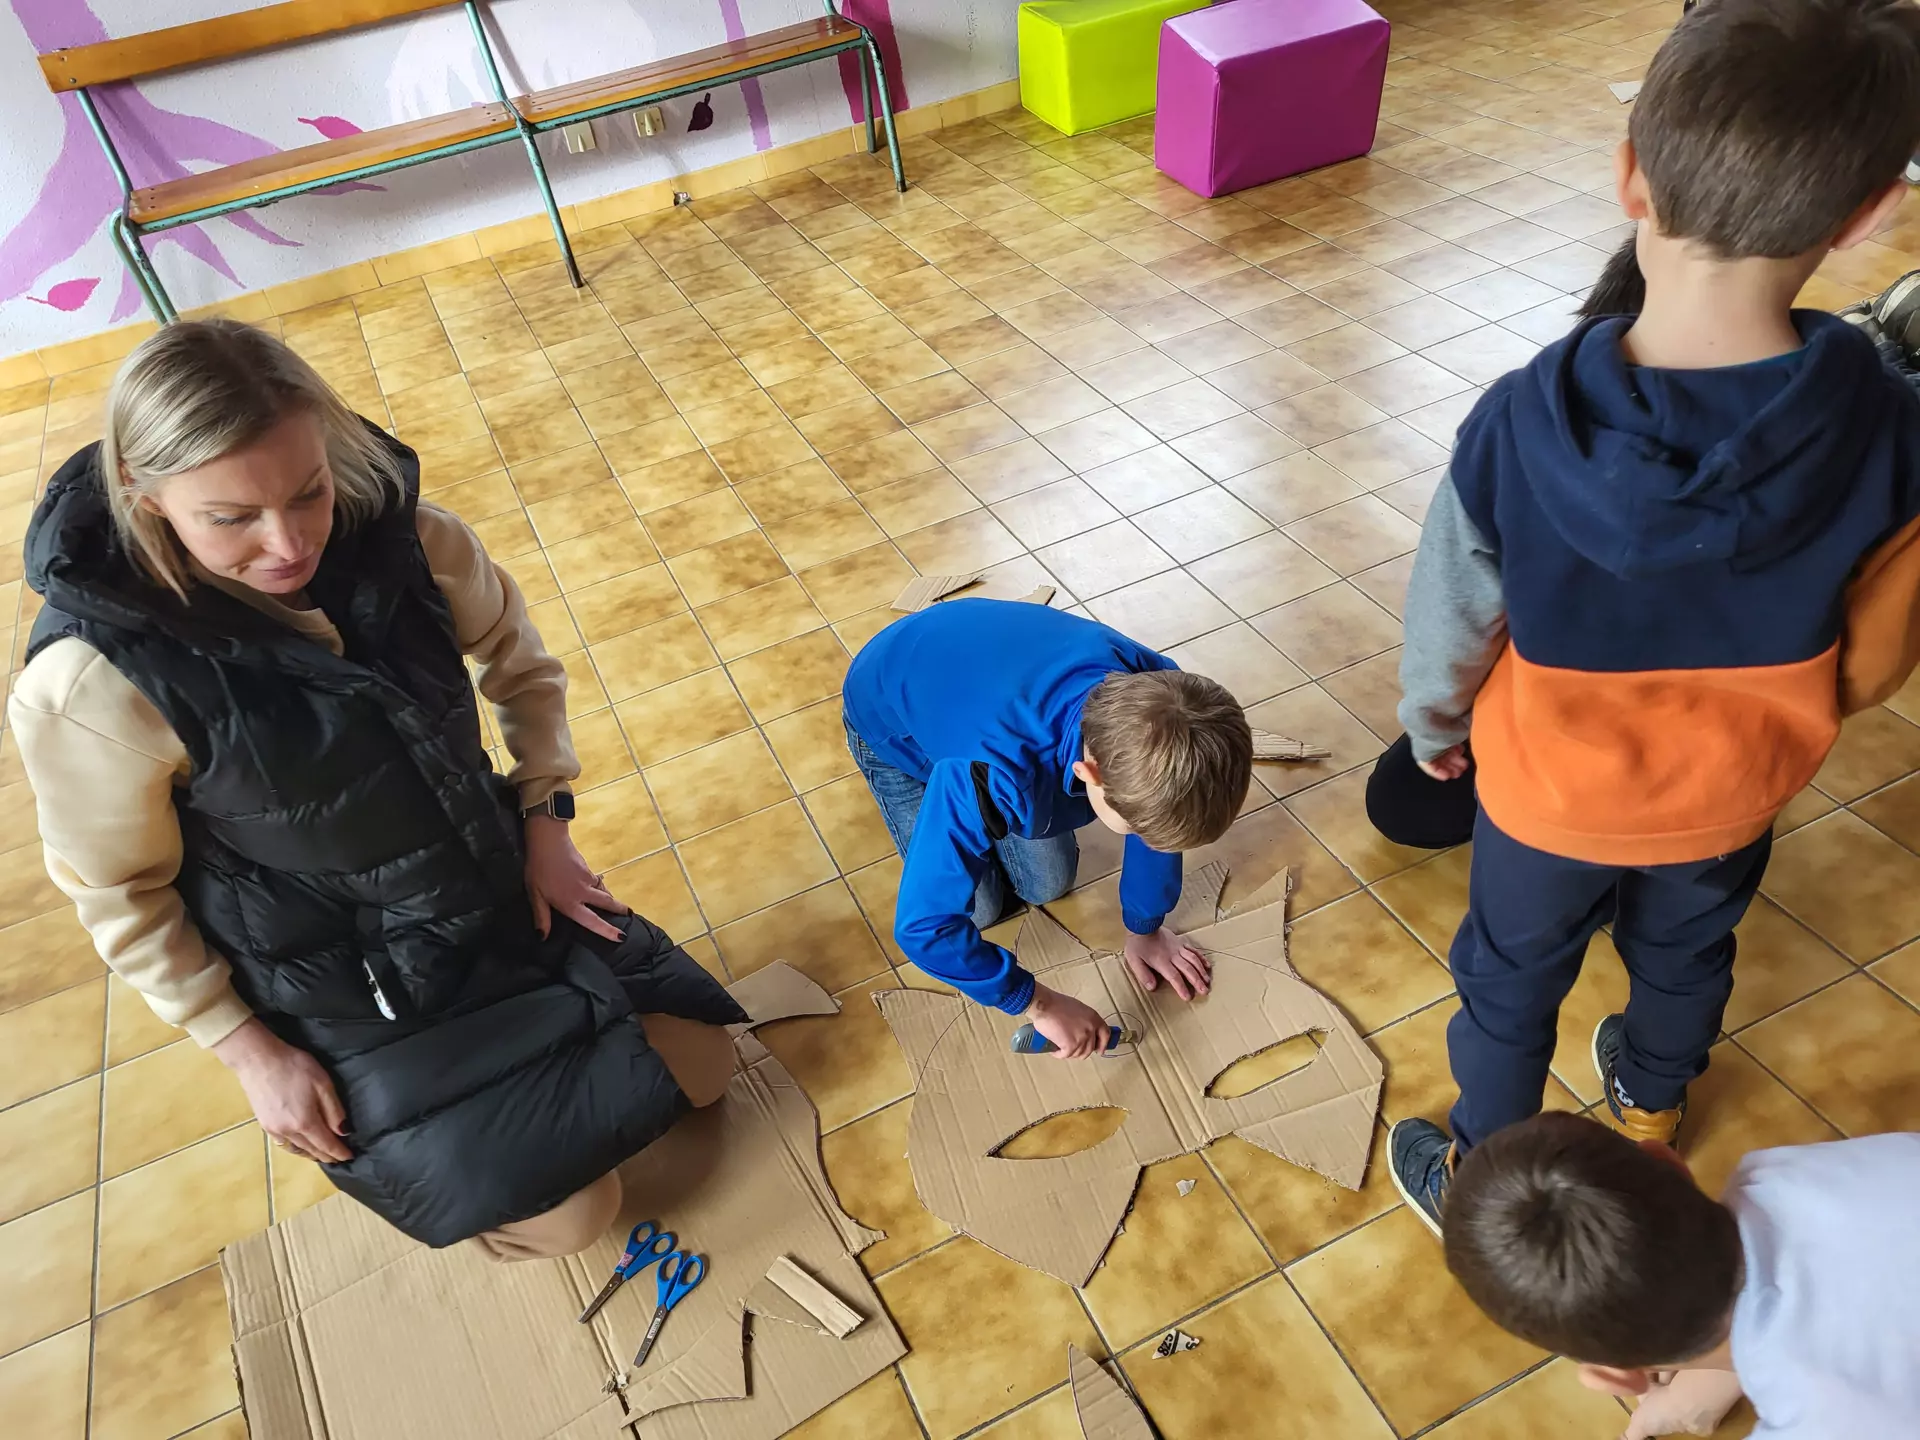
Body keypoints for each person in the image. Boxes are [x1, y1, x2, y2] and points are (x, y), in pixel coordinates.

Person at [12, 319, 748, 1259]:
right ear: (144, 498)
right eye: (231, 519)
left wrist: (544, 821)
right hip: (343, 984)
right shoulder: (89, 688)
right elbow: (119, 893)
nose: (287, 543)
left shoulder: (417, 542)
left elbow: (522, 669)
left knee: (707, 1064)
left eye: (309, 491)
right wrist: (249, 1051)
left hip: (490, 891)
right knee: (576, 1219)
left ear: (329, 449)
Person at [1386, 0, 1920, 1225]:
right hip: (1733, 785)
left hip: (1545, 793)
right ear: (1870, 215)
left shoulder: (1519, 420)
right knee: (1686, 957)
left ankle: (1487, 1164)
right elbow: (1877, 658)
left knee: (1509, 981)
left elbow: (1451, 615)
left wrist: (1431, 732)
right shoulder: (1891, 423)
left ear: (1629, 175)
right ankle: (1650, 1108)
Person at [839, 599, 1252, 1058]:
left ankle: (979, 823)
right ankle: (969, 820)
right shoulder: (990, 768)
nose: (1148, 841)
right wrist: (1039, 1003)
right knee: (978, 911)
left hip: (987, 675)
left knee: (1048, 884)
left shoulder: (1167, 693)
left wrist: (1146, 928)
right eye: (1137, 828)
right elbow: (925, 927)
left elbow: (1158, 817)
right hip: (892, 708)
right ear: (1088, 773)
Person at [1442, 1113, 1920, 1439]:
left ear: (1618, 1378)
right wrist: (1719, 1379)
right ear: (1668, 1159)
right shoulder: (1776, 1172)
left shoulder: (1816, 1423)